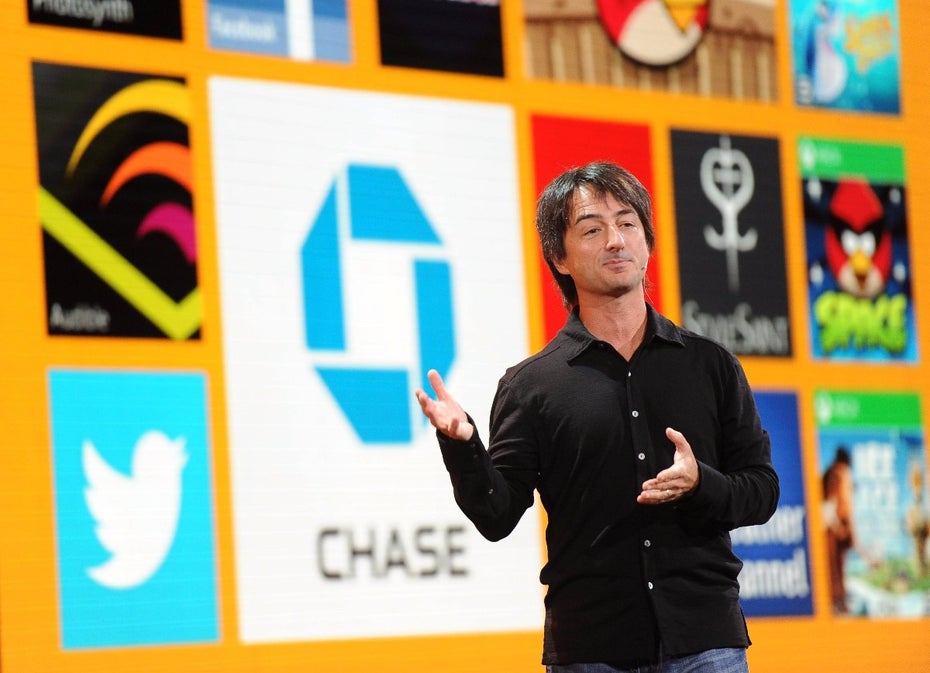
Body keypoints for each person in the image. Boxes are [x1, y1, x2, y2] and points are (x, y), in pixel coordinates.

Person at [415, 161, 780, 672]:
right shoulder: (531, 386)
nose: (615, 240)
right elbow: (496, 516)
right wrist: (463, 445)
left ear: (647, 243)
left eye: (627, 223)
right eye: (592, 229)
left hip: (705, 641)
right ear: (559, 258)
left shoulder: (711, 365)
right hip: (592, 648)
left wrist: (702, 483)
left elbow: (762, 491)